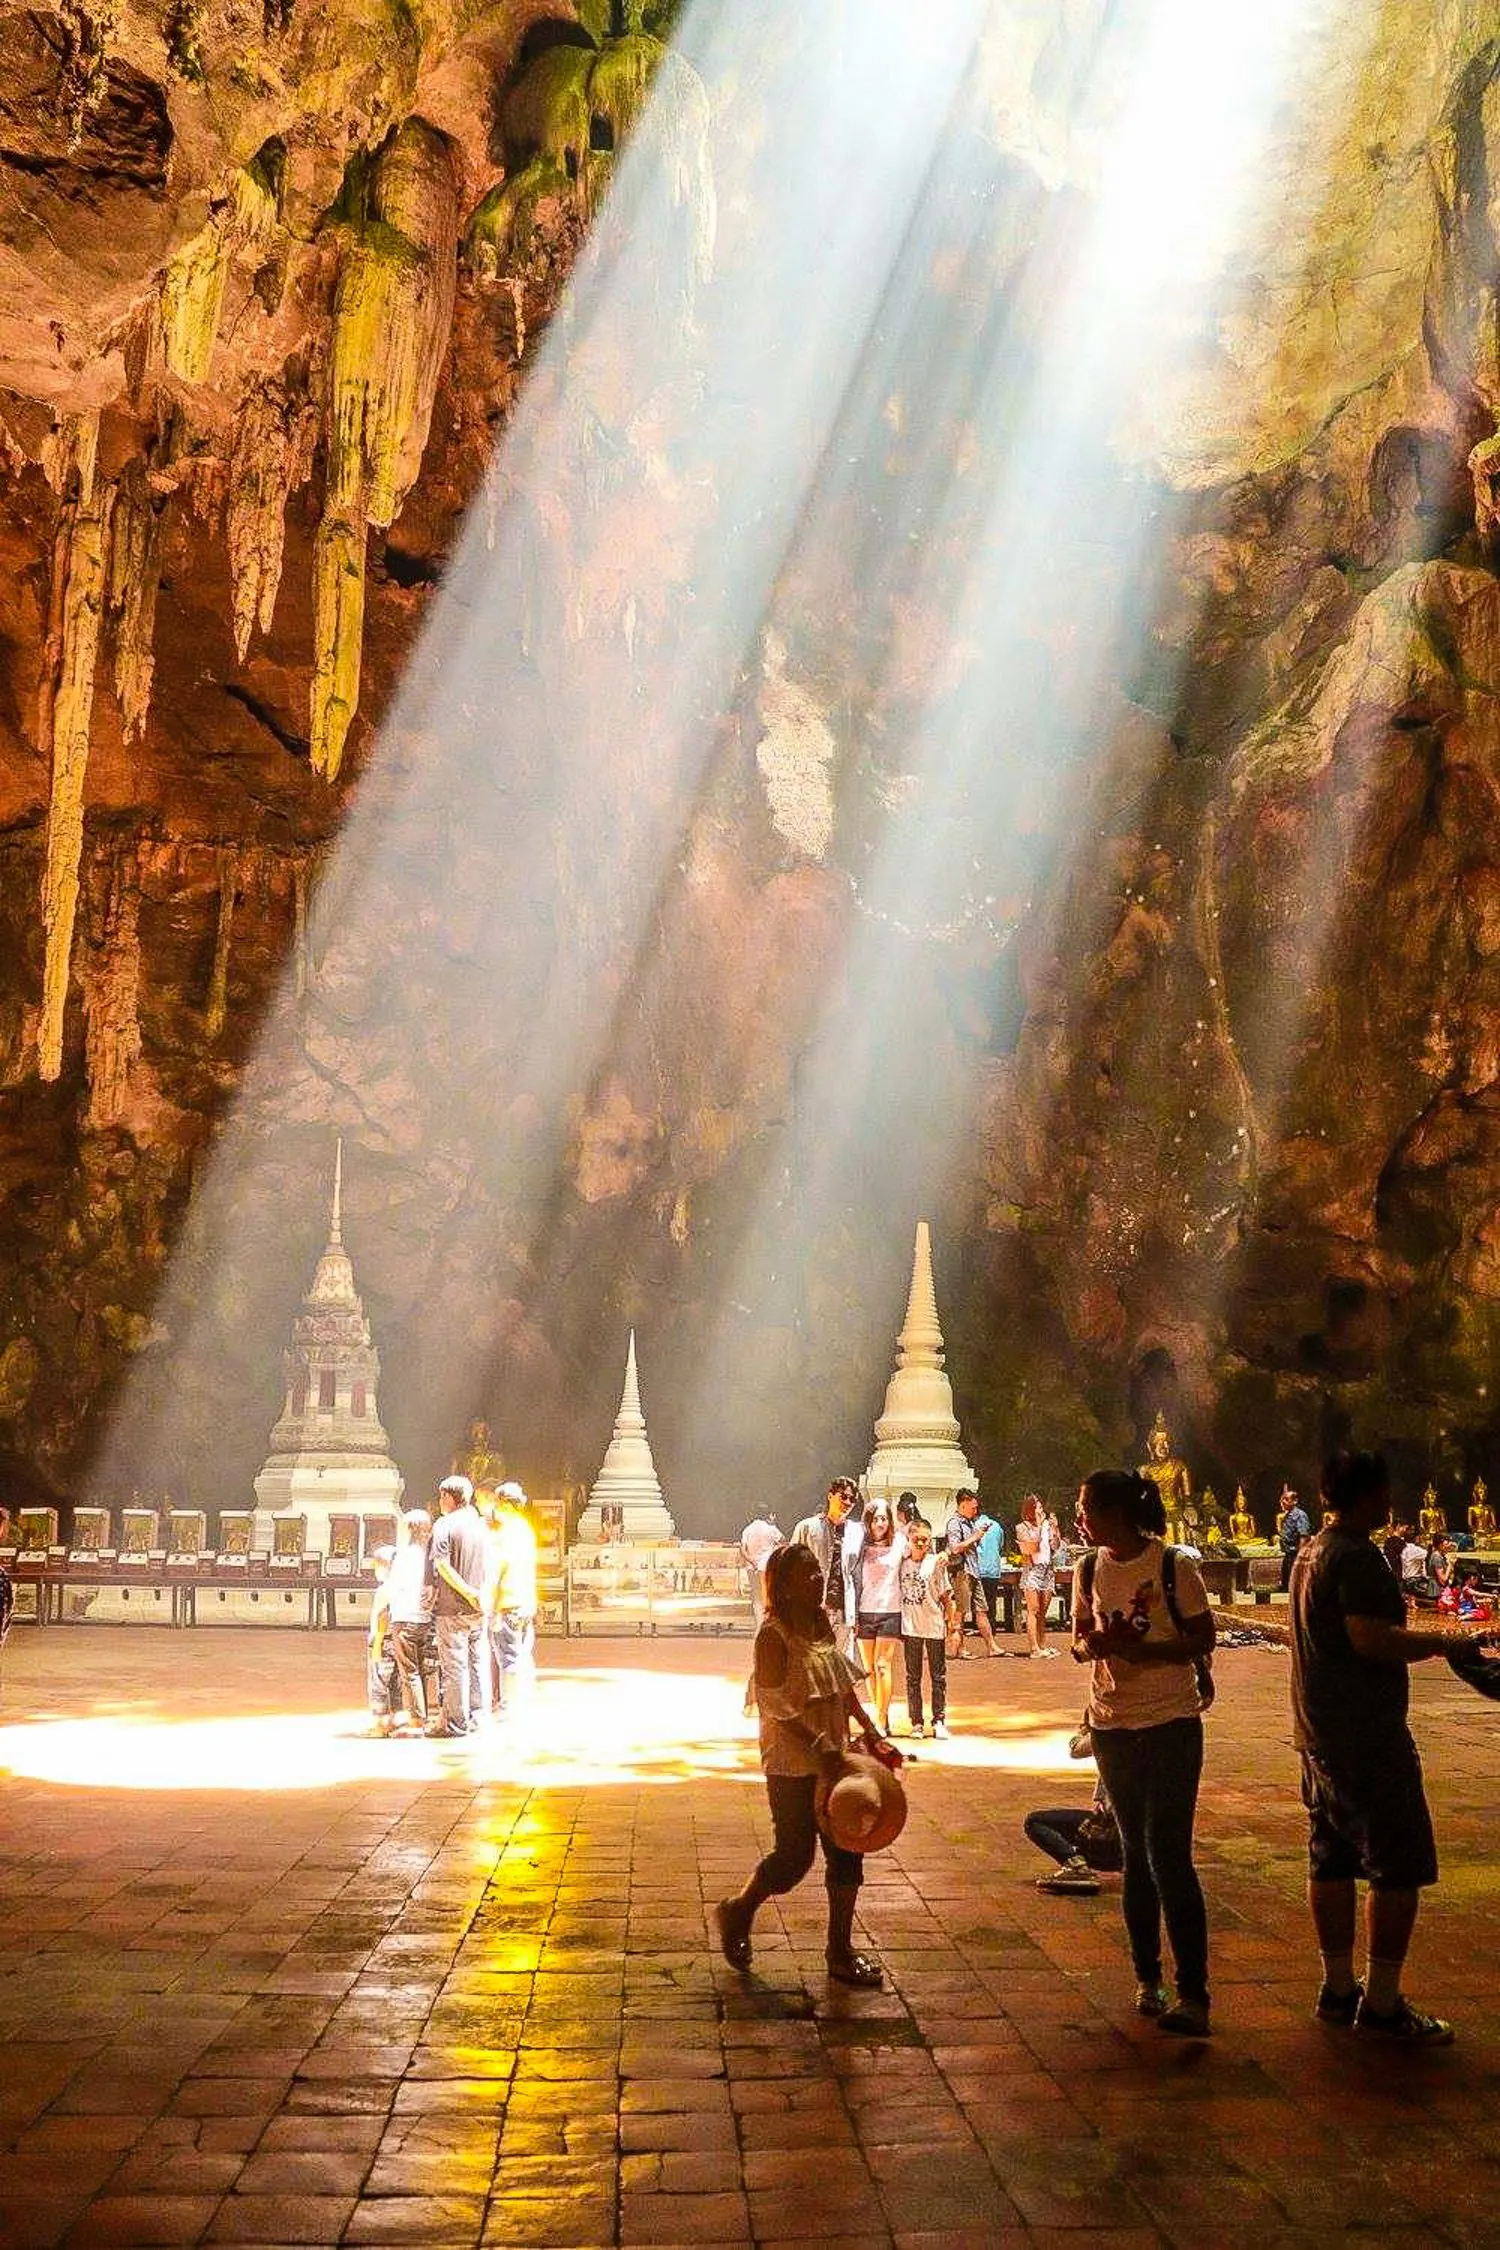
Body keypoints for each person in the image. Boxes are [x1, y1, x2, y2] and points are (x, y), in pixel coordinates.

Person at [1289, 1449, 1499, 2043]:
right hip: (1366, 1738)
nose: (1391, 1502)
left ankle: (1337, 1988)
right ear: (1365, 1497)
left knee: (1328, 1855)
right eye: (1384, 1492)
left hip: (1318, 1730)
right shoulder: (1355, 1557)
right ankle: (1381, 2001)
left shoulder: (1311, 1552)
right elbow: (1372, 1639)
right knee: (1396, 1863)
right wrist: (1443, 1642)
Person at [713, 1542, 902, 1988]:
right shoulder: (773, 1635)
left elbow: (839, 1683)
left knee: (848, 1848)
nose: (818, 1580)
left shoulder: (820, 1624)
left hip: (834, 1756)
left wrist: (869, 1730)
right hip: (792, 1761)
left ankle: (840, 1949)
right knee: (794, 1857)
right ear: (784, 1585)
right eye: (807, 1575)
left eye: (819, 1572)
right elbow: (774, 1702)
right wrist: (817, 1743)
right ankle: (740, 1909)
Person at [1072, 1467, 1215, 2039]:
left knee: (1170, 1856)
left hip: (1170, 1722)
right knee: (1134, 1853)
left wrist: (1145, 1650)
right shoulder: (1087, 1568)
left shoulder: (1172, 1567)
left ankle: (1195, 1992)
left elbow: (1203, 1638)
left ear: (1118, 1514)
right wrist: (1095, 1647)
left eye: (1087, 1509)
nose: (1080, 1519)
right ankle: (1147, 1977)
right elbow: (1081, 1639)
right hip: (1112, 1722)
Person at [427, 1474, 489, 1738]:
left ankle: (455, 1722)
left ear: (449, 1497)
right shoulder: (481, 1525)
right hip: (479, 1606)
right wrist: (481, 1595)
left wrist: (466, 1591)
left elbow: (441, 1564)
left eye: (442, 1496)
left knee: (454, 1667)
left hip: (453, 1607)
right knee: (477, 1663)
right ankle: (478, 1716)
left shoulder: (445, 1524)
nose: (440, 1501)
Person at [852, 1498, 906, 1735]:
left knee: (883, 1665)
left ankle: (881, 1719)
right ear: (868, 1521)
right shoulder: (859, 1547)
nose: (880, 1523)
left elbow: (919, 1556)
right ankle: (878, 1714)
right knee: (869, 1669)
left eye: (884, 1518)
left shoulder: (900, 1543)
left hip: (890, 1611)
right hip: (865, 1611)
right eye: (875, 1518)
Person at [488, 1482, 539, 1721]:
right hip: (526, 1599)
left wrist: (495, 1606)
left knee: (507, 1657)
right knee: (522, 1653)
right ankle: (524, 1699)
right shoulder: (525, 1528)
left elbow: (500, 1568)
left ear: (505, 1503)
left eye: (497, 1502)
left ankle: (509, 1706)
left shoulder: (505, 1530)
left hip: (508, 1601)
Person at [791, 1477, 860, 1646]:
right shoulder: (807, 1528)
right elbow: (790, 1565)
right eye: (843, 1496)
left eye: (852, 1499)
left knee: (840, 1664)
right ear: (830, 1496)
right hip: (814, 1608)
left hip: (844, 1610)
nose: (848, 1502)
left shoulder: (858, 1532)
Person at [899, 1515, 950, 1739]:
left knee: (938, 1677)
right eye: (916, 1539)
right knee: (913, 1677)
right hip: (911, 1627)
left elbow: (947, 1596)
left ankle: (939, 1720)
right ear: (908, 1539)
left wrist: (954, 1627)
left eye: (925, 1539)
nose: (921, 1543)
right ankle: (916, 1722)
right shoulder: (900, 1563)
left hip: (934, 1625)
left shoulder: (936, 1563)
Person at [385, 1509, 435, 1730]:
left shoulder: (404, 1555)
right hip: (423, 1618)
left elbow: (393, 1586)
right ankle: (422, 1714)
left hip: (405, 1616)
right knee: (419, 1667)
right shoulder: (428, 1554)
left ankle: (415, 1718)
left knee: (408, 1670)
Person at [1025, 1785, 1122, 1895]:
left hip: (1110, 1844)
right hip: (1133, 1852)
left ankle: (1076, 1866)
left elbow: (1109, 1810)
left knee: (1034, 1822)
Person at [944, 1489, 997, 1658]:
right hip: (962, 1572)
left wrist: (978, 1536)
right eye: (973, 1507)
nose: (975, 1510)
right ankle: (960, 1648)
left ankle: (992, 1646)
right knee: (961, 1611)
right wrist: (974, 1538)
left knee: (982, 1609)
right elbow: (954, 1548)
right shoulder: (954, 1523)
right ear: (963, 1504)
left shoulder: (969, 1522)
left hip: (974, 1571)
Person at [1016, 1494, 1060, 1658]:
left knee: (1043, 1610)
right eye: (1038, 1508)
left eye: (1041, 1508)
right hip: (1033, 1570)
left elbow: (1055, 1546)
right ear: (1030, 1510)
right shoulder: (1022, 1527)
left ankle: (1042, 1645)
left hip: (1047, 1569)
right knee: (1033, 1609)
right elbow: (1032, 1547)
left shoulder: (1047, 1525)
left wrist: (1055, 1530)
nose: (1041, 1511)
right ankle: (1034, 1648)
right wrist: (1041, 1526)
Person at [365, 1548, 402, 1736]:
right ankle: (393, 1720)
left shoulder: (384, 1590)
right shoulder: (403, 1587)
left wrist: (377, 1644)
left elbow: (382, 1617)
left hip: (383, 1641)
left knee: (379, 1683)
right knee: (395, 1682)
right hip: (398, 1642)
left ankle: (380, 1725)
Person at [974, 1504, 1006, 1632]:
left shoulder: (974, 1526)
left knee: (979, 1603)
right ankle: (992, 1626)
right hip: (993, 1568)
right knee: (991, 1599)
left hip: (979, 1568)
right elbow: (1000, 1545)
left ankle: (981, 1628)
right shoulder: (997, 1526)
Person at [1279, 1488, 1312, 1592]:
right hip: (1289, 1553)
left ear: (1295, 1501)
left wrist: (1300, 1555)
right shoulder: (1288, 1515)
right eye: (1282, 1499)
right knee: (1286, 1582)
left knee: (1296, 1583)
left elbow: (1303, 1536)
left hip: (1295, 1553)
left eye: (1286, 1499)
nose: (1283, 1502)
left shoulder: (1300, 1515)